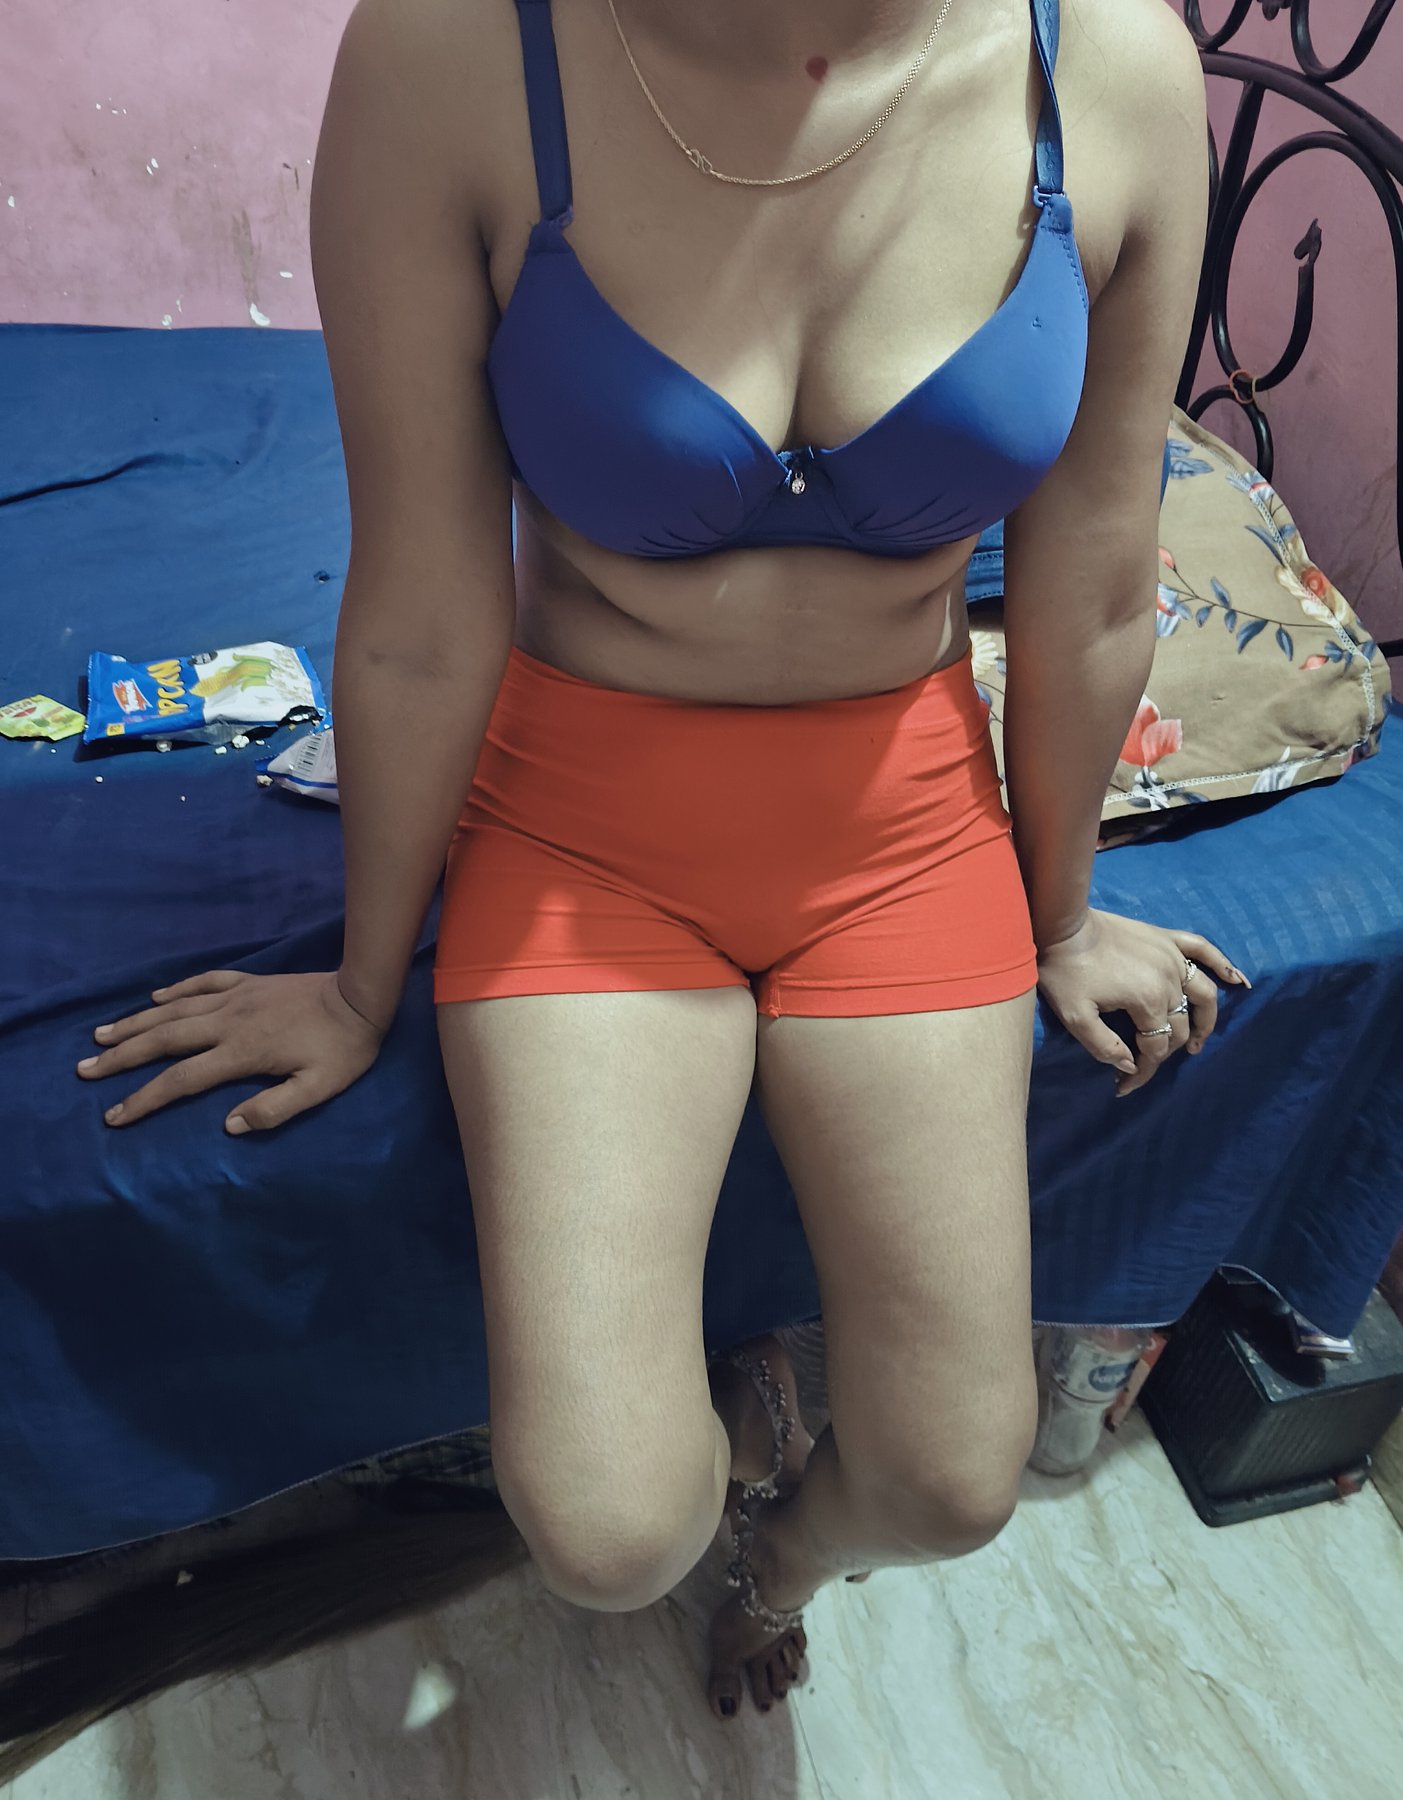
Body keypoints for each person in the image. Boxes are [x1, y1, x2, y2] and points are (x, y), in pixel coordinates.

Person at [76, 0, 1240, 1721]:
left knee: (951, 1483)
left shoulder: (1118, 70)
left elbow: (1098, 580)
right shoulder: (454, 54)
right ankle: (741, 1436)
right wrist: (360, 981)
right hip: (583, 831)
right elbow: (418, 609)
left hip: (905, 833)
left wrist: (1056, 914)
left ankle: (778, 1561)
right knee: (607, 1530)